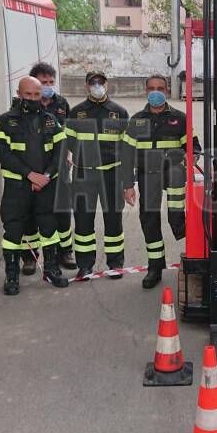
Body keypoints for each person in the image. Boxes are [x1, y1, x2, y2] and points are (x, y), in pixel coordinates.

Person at [0, 76, 69, 295]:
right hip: (17, 188)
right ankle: (12, 276)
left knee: (49, 229)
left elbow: (60, 151)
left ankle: (51, 271)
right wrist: (30, 175)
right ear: (19, 94)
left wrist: (46, 175)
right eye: (29, 94)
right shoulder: (6, 120)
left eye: (37, 94)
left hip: (46, 185)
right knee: (13, 231)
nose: (33, 98)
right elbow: (3, 154)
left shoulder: (50, 119)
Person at [63, 70, 132, 280]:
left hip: (112, 175)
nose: (96, 86)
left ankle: (115, 264)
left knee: (113, 221)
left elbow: (127, 148)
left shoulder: (119, 112)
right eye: (92, 83)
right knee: (83, 221)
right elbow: (69, 144)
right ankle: (85, 265)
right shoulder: (76, 113)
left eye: (100, 82)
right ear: (86, 86)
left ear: (107, 84)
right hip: (84, 175)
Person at [124, 75, 188, 289]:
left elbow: (193, 146)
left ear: (167, 91)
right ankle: (155, 267)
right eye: (151, 88)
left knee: (176, 216)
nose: (156, 92)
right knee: (149, 218)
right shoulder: (136, 120)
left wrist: (193, 157)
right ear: (146, 91)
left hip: (173, 173)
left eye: (160, 88)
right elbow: (127, 154)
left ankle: (191, 248)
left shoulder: (180, 118)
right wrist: (127, 184)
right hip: (147, 174)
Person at [22, 61, 75, 272]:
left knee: (62, 210)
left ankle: (65, 252)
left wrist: (69, 153)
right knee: (30, 213)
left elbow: (68, 133)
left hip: (59, 166)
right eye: (44, 82)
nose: (48, 85)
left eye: (51, 81)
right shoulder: (22, 106)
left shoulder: (61, 104)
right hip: (33, 169)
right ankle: (29, 256)